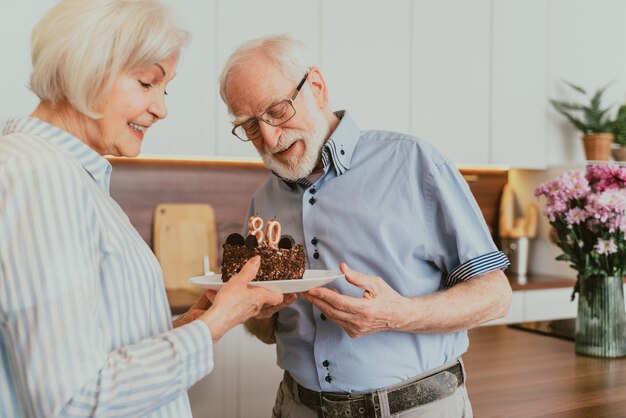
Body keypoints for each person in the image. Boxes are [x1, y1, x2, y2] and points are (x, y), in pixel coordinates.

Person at [0, 1, 285, 417]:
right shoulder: (39, 175)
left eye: (164, 88)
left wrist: (193, 323)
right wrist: (215, 325)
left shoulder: (72, 175)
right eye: (146, 83)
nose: (161, 108)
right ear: (85, 67)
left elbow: (96, 348)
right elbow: (72, 400)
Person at [218, 34, 513, 418]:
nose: (270, 137)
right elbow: (267, 329)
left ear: (317, 88)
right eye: (251, 126)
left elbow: (496, 295)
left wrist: (397, 313)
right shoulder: (264, 200)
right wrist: (255, 312)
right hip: (296, 407)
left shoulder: (414, 164)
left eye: (277, 110)